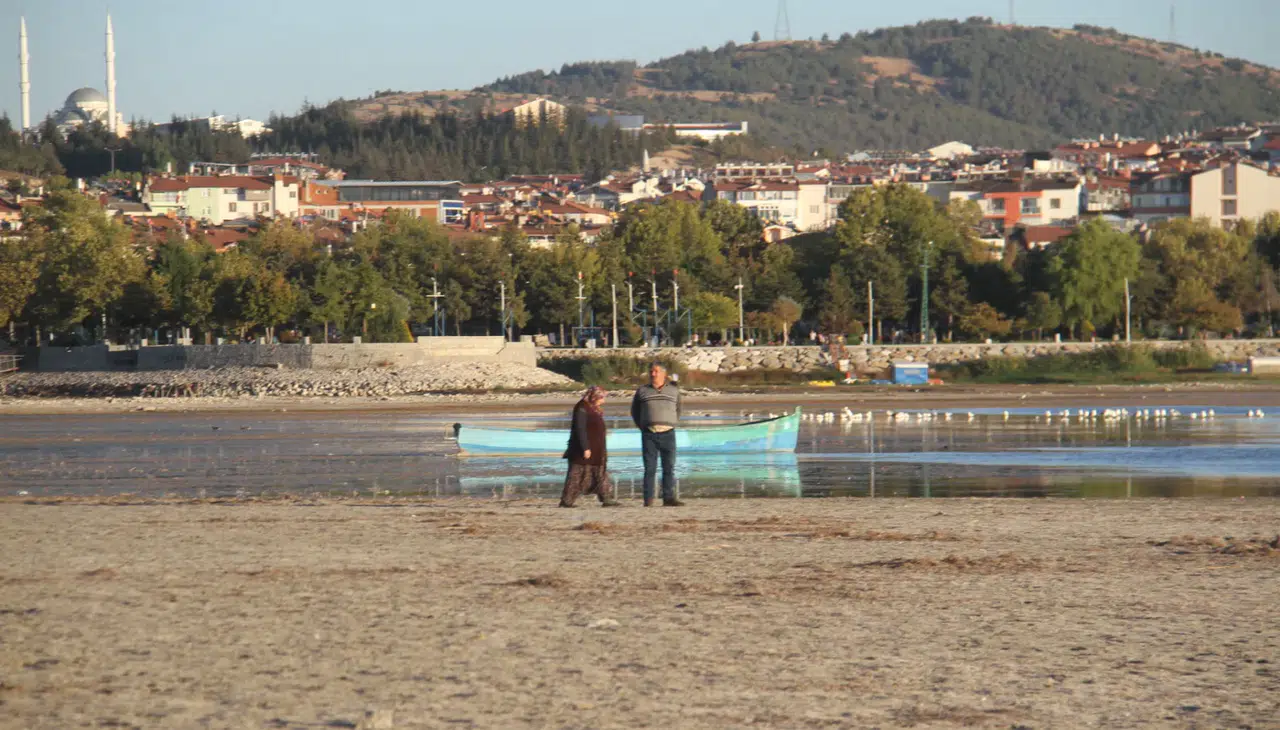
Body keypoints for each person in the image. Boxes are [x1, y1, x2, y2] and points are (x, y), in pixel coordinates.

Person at [630, 363, 684, 507]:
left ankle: (669, 498)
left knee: (669, 467)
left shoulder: (674, 391)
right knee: (649, 468)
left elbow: (678, 409)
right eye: (651, 371)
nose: (652, 374)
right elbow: (635, 411)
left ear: (664, 374)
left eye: (656, 371)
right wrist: (643, 426)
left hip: (668, 433)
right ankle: (648, 499)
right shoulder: (642, 391)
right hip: (649, 434)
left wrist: (671, 422)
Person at [560, 386, 620, 508]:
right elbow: (580, 428)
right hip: (582, 449)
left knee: (600, 474)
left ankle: (606, 498)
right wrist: (585, 447)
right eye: (602, 397)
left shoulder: (593, 408)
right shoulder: (582, 407)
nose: (604, 400)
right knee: (575, 475)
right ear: (595, 396)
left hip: (597, 450)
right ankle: (567, 501)